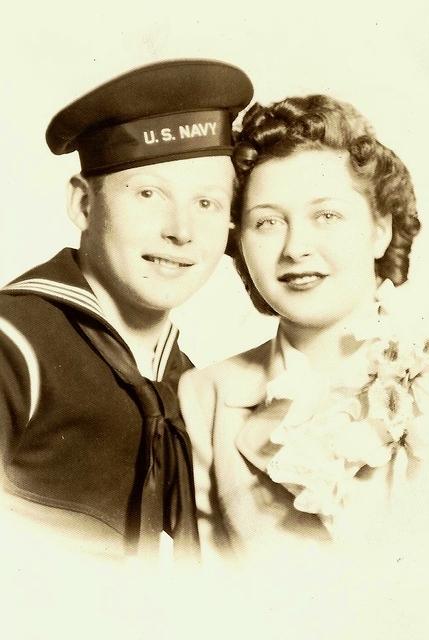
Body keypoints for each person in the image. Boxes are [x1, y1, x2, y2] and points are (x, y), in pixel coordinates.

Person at [0, 59, 253, 560]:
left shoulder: (192, 386)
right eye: (148, 193)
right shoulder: (14, 346)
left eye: (206, 203)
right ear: (83, 205)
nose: (181, 230)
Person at [179, 93, 429, 563]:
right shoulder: (205, 397)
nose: (296, 247)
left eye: (327, 215)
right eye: (268, 222)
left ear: (380, 229)